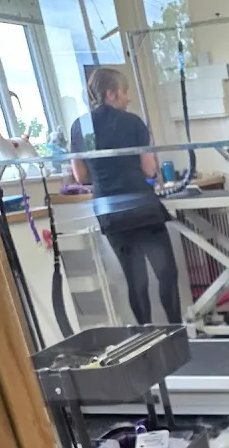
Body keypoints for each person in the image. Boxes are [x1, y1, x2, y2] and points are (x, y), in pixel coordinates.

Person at [70, 68, 181, 326]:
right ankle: (177, 330)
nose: (128, 97)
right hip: (142, 208)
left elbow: (80, 175)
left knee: (136, 280)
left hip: (110, 211)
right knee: (166, 273)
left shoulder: (81, 126)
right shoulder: (133, 122)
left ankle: (145, 336)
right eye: (125, 92)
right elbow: (149, 168)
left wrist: (103, 175)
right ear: (111, 93)